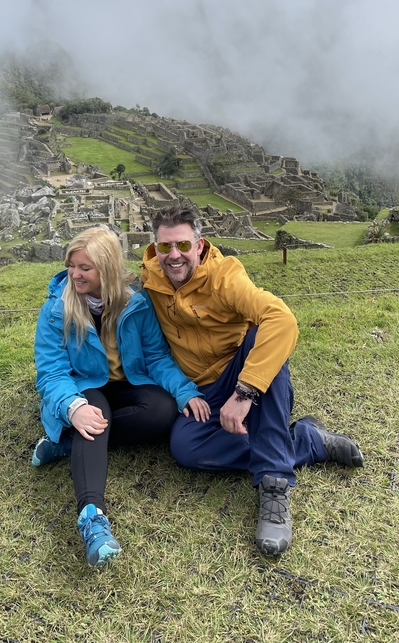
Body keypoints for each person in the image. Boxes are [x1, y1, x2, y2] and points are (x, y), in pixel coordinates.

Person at [140, 204, 364, 557]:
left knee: (263, 335)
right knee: (185, 448)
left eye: (183, 245)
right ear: (155, 248)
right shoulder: (149, 281)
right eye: (165, 247)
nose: (174, 256)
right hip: (201, 390)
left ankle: (274, 484)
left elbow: (283, 320)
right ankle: (307, 441)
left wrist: (244, 392)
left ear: (199, 246)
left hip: (242, 374)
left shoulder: (224, 275)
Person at [32, 226, 208, 570]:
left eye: (86, 267)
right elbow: (51, 374)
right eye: (72, 265)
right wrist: (74, 406)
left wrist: (185, 392)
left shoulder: (136, 304)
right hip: (82, 386)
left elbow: (156, 357)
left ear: (108, 269)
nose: (75, 274)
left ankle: (68, 442)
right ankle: (92, 518)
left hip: (127, 382)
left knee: (163, 409)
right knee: (93, 411)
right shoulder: (56, 310)